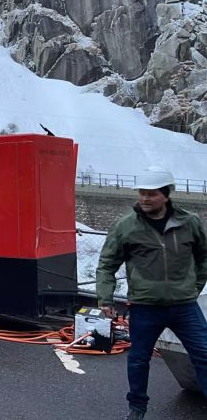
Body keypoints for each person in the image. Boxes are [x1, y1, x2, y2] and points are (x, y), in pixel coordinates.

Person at [96, 166, 207, 419]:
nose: (144, 198)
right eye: (142, 193)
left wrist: (193, 288)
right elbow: (107, 264)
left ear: (166, 195)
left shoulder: (189, 223)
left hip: (184, 306)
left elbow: (203, 258)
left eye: (151, 193)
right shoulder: (126, 226)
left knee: (204, 354)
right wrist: (105, 297)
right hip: (146, 307)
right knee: (138, 359)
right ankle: (137, 408)